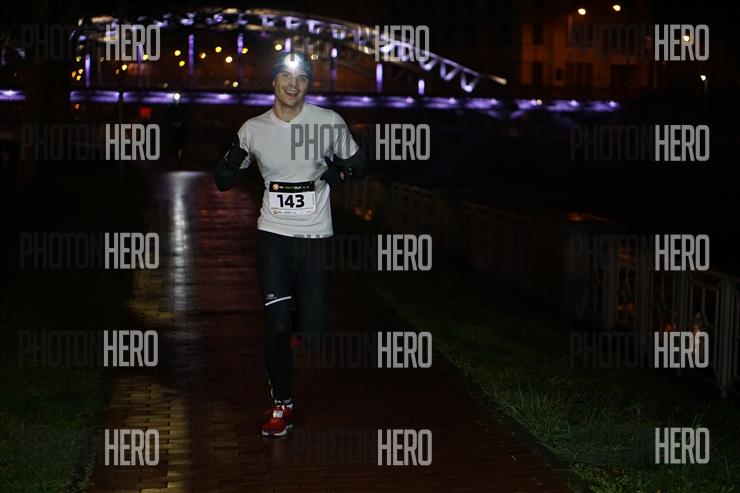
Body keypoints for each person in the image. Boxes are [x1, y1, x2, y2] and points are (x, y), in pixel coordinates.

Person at [214, 51, 367, 437]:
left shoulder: (328, 122)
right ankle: (282, 405)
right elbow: (224, 181)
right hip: (273, 236)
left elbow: (359, 164)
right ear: (274, 81)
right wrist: (230, 162)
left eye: (301, 78)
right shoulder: (253, 128)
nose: (292, 85)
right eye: (285, 76)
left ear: (308, 84)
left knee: (311, 334)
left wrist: (340, 174)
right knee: (277, 326)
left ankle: (300, 320)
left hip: (315, 238)